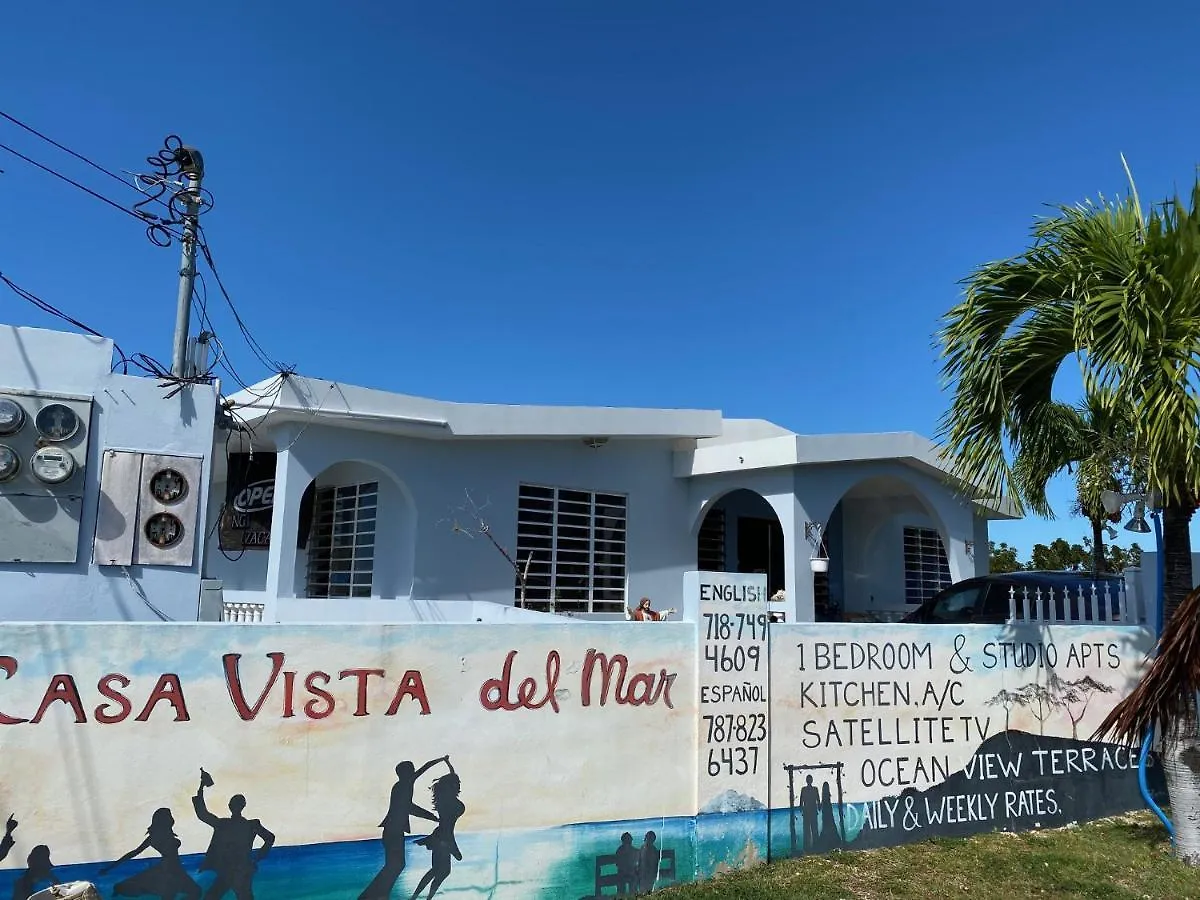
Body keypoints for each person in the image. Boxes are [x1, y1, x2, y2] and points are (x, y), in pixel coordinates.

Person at [359, 757, 448, 900]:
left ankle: (379, 894)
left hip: (394, 831)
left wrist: (441, 760)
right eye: (411, 770)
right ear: (405, 773)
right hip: (393, 831)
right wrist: (430, 816)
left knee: (395, 865)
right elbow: (409, 807)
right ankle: (371, 895)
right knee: (395, 865)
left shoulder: (403, 785)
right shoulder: (402, 786)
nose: (414, 773)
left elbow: (423, 769)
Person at [192, 769, 275, 900]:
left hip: (232, 871)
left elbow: (202, 814)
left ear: (231, 805)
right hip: (238, 870)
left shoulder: (225, 824)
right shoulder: (250, 825)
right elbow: (270, 838)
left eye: (232, 803)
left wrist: (201, 787)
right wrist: (258, 857)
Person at [103, 808, 201, 900]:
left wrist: (109, 868)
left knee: (196, 892)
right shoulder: (154, 837)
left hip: (175, 870)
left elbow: (134, 852)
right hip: (168, 871)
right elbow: (133, 853)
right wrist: (109, 867)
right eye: (169, 816)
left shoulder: (163, 834)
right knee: (181, 893)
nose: (171, 818)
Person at [408, 759, 465, 900]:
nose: (458, 784)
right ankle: (421, 897)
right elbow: (447, 829)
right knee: (442, 871)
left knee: (438, 870)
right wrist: (452, 846)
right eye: (456, 783)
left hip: (441, 835)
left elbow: (453, 776)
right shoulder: (448, 802)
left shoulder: (446, 798)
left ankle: (418, 897)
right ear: (451, 786)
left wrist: (448, 763)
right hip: (443, 837)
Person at [798, 775, 820, 853]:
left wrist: (801, 808)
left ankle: (810, 847)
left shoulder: (805, 789)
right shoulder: (813, 789)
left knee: (810, 830)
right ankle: (813, 847)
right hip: (810, 811)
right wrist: (819, 808)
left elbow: (818, 800)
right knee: (812, 830)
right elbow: (818, 800)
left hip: (809, 811)